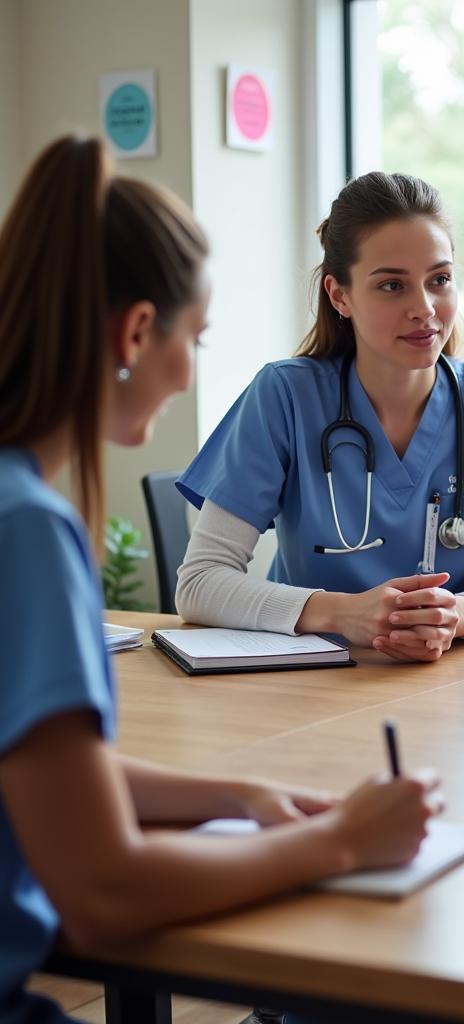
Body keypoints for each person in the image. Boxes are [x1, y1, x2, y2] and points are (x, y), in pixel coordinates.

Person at [0, 136, 441, 1024]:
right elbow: (106, 890)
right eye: (193, 338)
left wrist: (237, 796)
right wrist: (339, 844)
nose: (193, 370)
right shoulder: (28, 531)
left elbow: (48, 778)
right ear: (134, 333)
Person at [175, 172, 464, 662]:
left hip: (450, 679)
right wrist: (343, 613)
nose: (424, 309)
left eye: (439, 280)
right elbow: (200, 582)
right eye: (392, 286)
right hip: (308, 680)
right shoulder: (286, 395)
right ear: (340, 296)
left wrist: (456, 615)